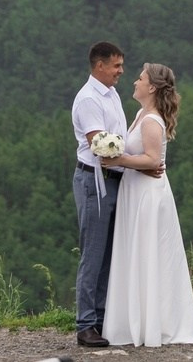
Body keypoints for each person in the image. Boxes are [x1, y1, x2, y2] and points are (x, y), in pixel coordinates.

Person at [103, 62, 193, 346]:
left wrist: (117, 159)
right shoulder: (141, 114)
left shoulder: (151, 120)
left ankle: (155, 324)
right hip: (135, 191)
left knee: (149, 254)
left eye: (140, 78)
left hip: (147, 195)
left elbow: (152, 160)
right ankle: (138, 321)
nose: (135, 81)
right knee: (139, 253)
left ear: (152, 87)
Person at [71, 41, 129, 347]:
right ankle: (86, 324)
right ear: (100, 66)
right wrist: (136, 158)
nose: (121, 71)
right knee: (93, 253)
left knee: (109, 252)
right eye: (117, 65)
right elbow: (101, 143)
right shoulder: (89, 99)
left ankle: (104, 318)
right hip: (94, 179)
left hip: (114, 178)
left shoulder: (112, 93)